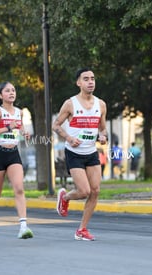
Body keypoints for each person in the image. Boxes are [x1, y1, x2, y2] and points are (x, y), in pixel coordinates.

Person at [52, 68, 107, 241]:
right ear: (78, 83)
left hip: (91, 152)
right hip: (74, 153)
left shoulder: (101, 104)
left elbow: (102, 127)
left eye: (92, 78)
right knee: (84, 191)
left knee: (95, 191)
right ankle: (65, 197)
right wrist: (68, 137)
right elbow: (56, 125)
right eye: (86, 79)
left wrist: (103, 136)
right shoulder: (70, 103)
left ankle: (81, 230)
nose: (90, 82)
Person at [0, 81, 33, 239]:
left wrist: (24, 133)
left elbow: (19, 127)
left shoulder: (19, 112)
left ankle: (23, 226)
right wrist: (7, 128)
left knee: (19, 188)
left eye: (13, 90)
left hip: (13, 154)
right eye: (7, 91)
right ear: (0, 95)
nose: (11, 93)